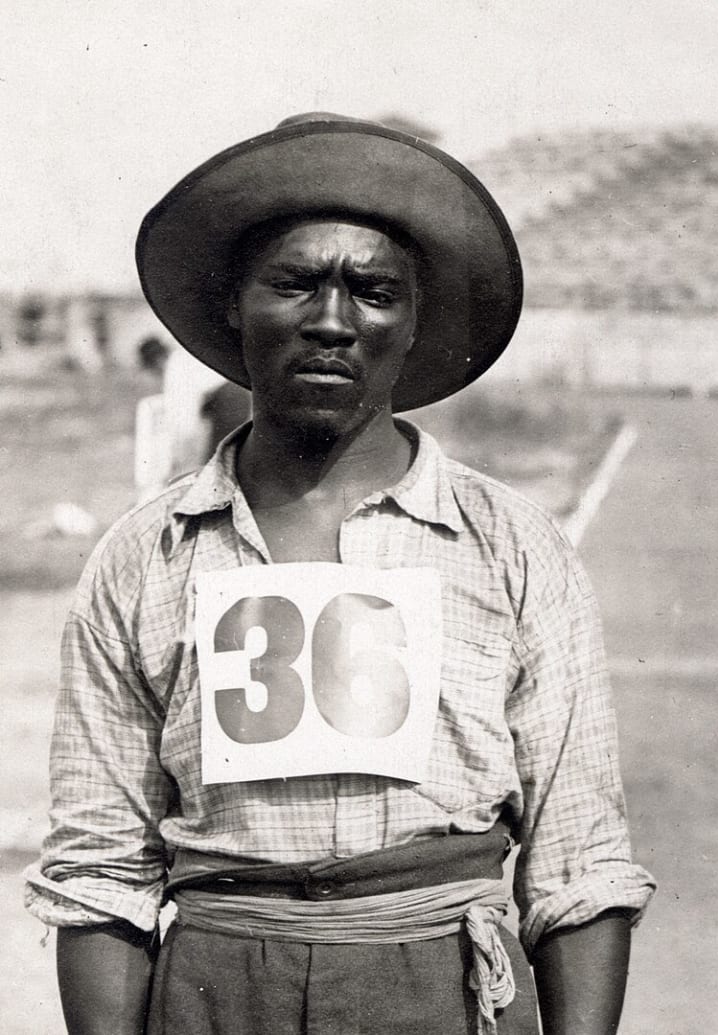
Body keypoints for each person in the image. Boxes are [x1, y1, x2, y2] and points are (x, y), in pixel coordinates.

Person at [25, 113, 655, 1035]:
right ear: (233, 305)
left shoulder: (513, 546)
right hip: (216, 993)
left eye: (373, 291)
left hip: (447, 986)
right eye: (293, 283)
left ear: (413, 320)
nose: (331, 320)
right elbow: (100, 871)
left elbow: (580, 861)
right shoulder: (144, 556)